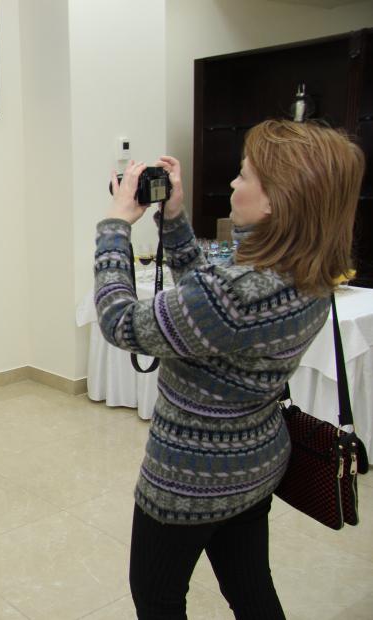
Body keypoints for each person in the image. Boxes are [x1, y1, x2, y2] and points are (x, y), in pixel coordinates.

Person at [94, 119, 364, 618]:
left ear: (276, 201)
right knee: (251, 589)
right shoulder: (310, 271)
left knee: (157, 598)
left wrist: (114, 226)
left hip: (191, 479)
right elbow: (209, 308)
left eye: (244, 175)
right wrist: (174, 218)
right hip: (254, 462)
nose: (234, 184)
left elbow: (119, 322)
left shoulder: (235, 295)